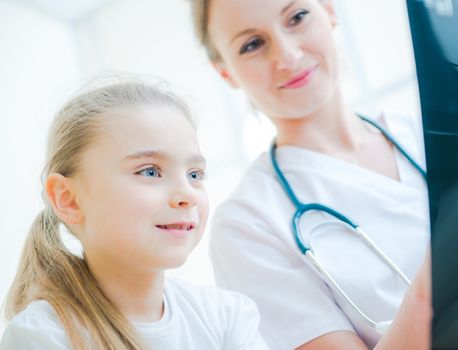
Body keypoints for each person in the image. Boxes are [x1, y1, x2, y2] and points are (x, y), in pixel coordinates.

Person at [190, 0, 432, 349]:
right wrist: (452, 258)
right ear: (226, 72)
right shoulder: (247, 224)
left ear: (330, 11)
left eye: (297, 17)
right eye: (252, 44)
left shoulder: (437, 134)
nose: (287, 56)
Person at [0, 78, 269, 350]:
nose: (187, 194)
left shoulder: (227, 316)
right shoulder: (43, 337)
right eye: (150, 171)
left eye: (194, 174)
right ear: (68, 199)